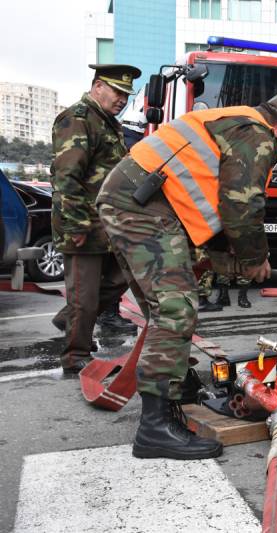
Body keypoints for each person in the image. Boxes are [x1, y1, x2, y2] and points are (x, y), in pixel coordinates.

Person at [96, 92, 277, 460]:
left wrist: (227, 258)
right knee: (175, 308)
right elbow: (241, 204)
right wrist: (255, 258)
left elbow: (211, 203)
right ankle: (154, 428)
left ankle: (176, 390)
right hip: (142, 205)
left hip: (132, 198)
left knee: (163, 308)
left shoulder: (234, 119)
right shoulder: (258, 134)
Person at [51, 64, 141, 374]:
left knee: (121, 277)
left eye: (126, 95)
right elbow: (66, 177)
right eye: (117, 92)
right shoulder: (78, 119)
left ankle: (69, 319)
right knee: (85, 295)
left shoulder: (107, 122)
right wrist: (76, 224)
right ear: (98, 86)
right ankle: (76, 356)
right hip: (83, 224)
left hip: (107, 224)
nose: (122, 100)